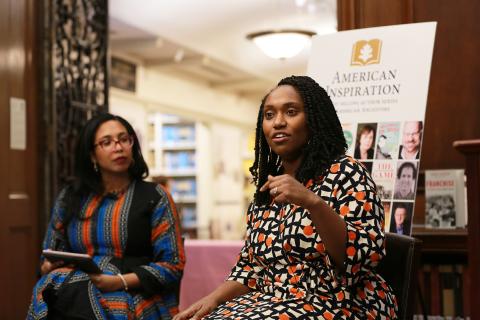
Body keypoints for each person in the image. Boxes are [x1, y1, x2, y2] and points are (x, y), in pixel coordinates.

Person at [174, 76, 396, 319]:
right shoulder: (268, 188)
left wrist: (312, 202)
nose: (278, 122)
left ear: (313, 119)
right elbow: (251, 269)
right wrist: (212, 298)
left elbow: (360, 257)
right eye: (269, 115)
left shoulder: (346, 172)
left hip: (341, 301)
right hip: (273, 300)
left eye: (291, 112)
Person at [27, 113, 185, 319]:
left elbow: (173, 265)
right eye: (107, 142)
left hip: (136, 291)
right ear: (92, 155)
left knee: (107, 305)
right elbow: (51, 253)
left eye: (124, 139)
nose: (118, 147)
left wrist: (119, 281)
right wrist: (48, 266)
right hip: (77, 285)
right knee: (52, 285)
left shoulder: (155, 196)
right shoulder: (71, 197)